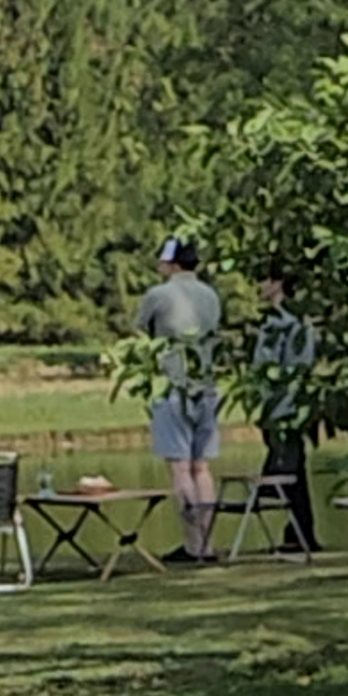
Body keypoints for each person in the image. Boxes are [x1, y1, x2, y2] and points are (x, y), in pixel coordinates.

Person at [142, 234, 227, 564]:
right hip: (206, 386)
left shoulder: (158, 295)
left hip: (172, 387)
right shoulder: (211, 295)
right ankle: (208, 543)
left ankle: (193, 545)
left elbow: (142, 330)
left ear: (172, 264)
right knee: (202, 468)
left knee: (179, 469)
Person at [247, 274, 323, 557]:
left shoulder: (283, 324)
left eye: (264, 279)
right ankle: (300, 532)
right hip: (285, 408)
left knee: (288, 470)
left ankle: (300, 531)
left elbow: (277, 369)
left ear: (278, 284)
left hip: (282, 410)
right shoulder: (289, 322)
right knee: (294, 471)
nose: (259, 285)